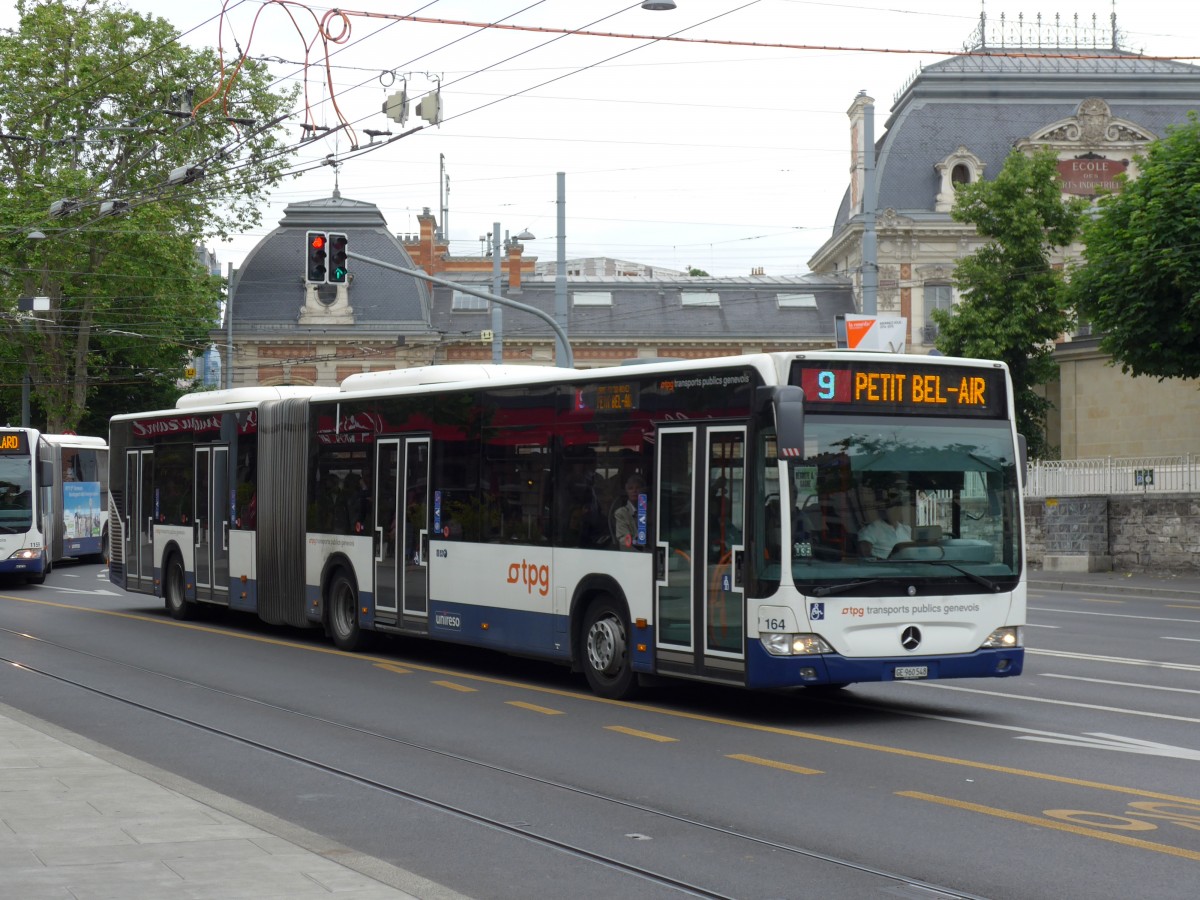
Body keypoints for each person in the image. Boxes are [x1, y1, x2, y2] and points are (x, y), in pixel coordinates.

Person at [613, 474, 646, 551]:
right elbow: (623, 539)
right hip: (631, 554)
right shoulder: (621, 513)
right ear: (626, 491)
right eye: (630, 488)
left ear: (643, 490)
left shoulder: (653, 511)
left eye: (638, 488)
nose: (634, 491)